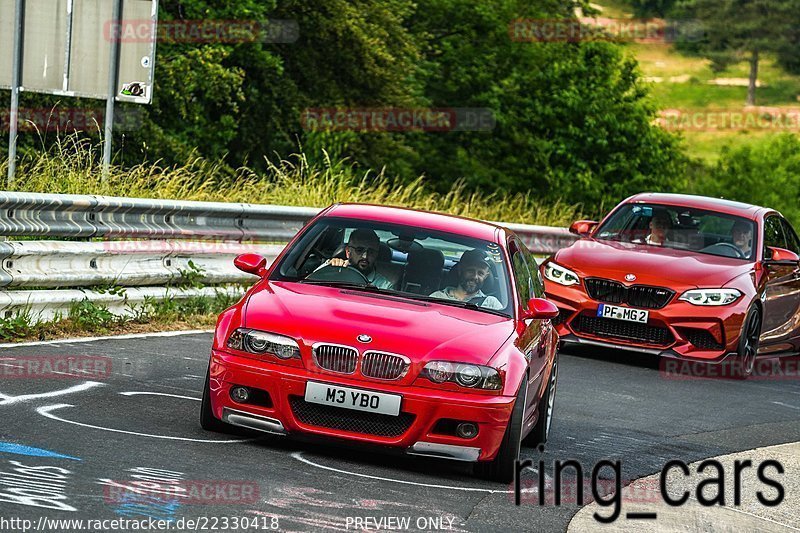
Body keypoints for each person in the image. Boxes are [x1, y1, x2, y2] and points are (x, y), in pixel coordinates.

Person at [429, 249, 503, 310]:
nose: (475, 277)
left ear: (486, 276)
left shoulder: (492, 303)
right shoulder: (437, 297)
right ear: (460, 270)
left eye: (480, 273)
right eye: (471, 271)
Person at [325, 229, 394, 289]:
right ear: (348, 252)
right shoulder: (335, 269)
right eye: (359, 250)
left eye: (371, 252)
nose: (365, 256)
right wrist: (329, 268)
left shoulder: (384, 286)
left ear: (376, 255)